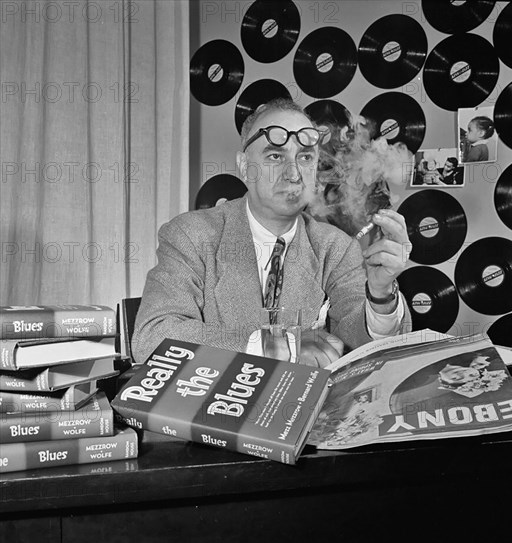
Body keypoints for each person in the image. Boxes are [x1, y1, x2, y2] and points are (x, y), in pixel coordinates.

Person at [132, 98, 412, 367]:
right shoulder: (191, 236)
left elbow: (362, 344)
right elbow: (154, 336)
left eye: (304, 157)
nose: (293, 173)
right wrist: (279, 347)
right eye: (275, 155)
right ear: (244, 166)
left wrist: (380, 294)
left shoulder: (335, 247)